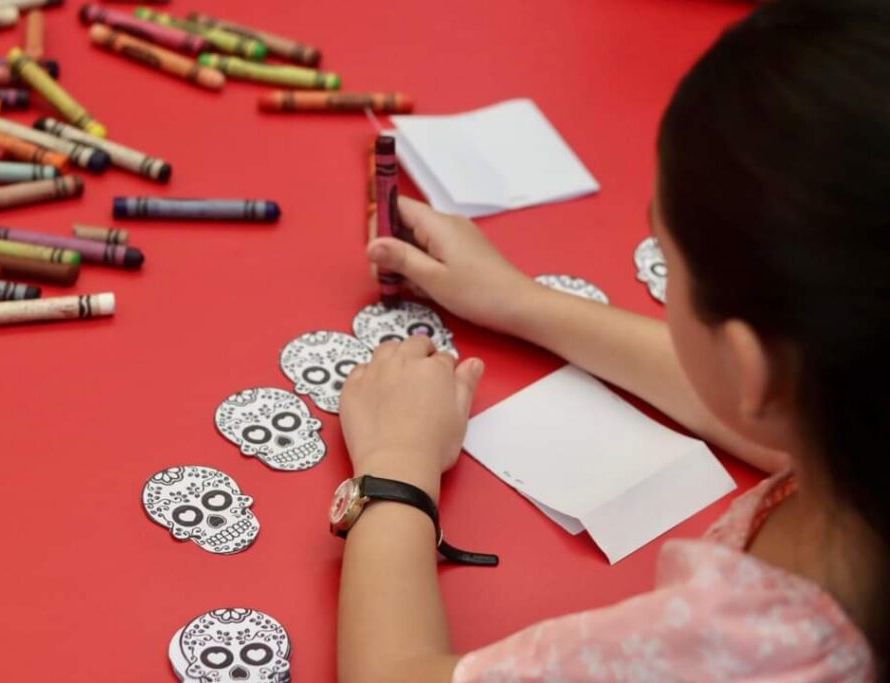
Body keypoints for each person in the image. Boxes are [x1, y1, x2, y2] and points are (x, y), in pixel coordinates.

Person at [332, 0, 888, 680]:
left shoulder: (743, 648)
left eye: (665, 249)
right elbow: (767, 406)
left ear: (755, 367)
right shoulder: (858, 424)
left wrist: (395, 468)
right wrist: (522, 301)